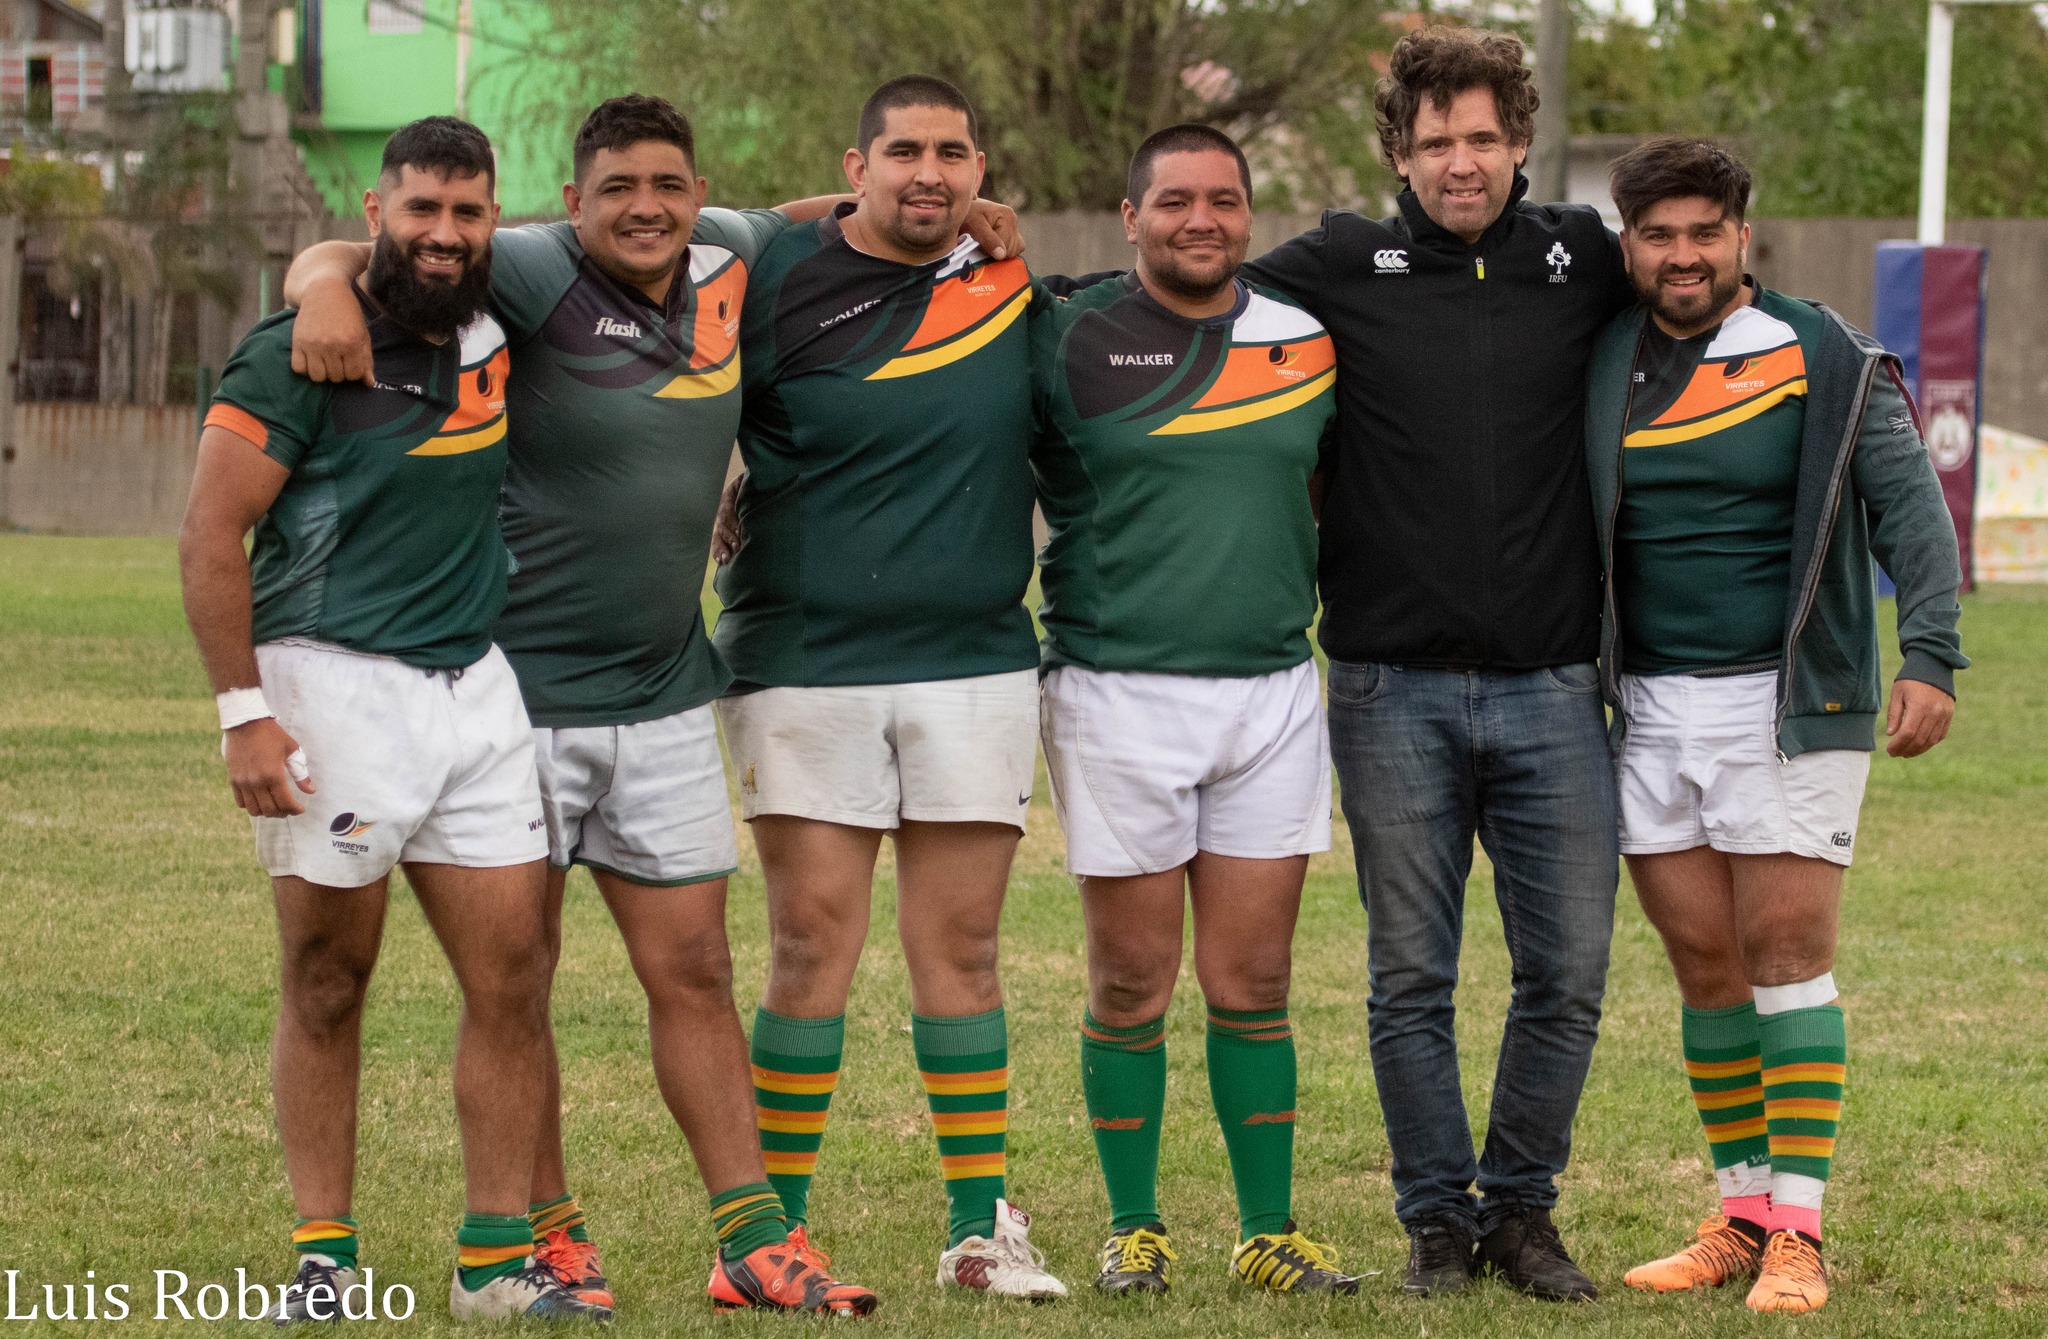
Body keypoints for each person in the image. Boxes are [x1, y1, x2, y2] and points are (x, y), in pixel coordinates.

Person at [275, 93, 1021, 1315]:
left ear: (694, 191)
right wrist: (315, 284)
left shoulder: (730, 248)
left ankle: (751, 1237)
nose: (644, 207)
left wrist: (956, 208)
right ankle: (551, 1231)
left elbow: (814, 211)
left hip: (670, 682)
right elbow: (389, 253)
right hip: (520, 692)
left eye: (666, 185)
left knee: (696, 970)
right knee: (519, 981)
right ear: (572, 201)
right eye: (616, 187)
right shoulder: (522, 265)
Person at [177, 117, 607, 1324]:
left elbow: (687, 225)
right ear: (375, 211)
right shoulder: (299, 351)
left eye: (467, 212)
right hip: (333, 687)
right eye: (420, 209)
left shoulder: (492, 322)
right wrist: (243, 713)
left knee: (515, 972)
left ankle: (489, 1264)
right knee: (327, 977)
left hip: (477, 685)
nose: (444, 234)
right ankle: (324, 1261)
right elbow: (211, 536)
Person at [1242, 25, 1635, 1301]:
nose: (1457, 163)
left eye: (1480, 138)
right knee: (1409, 974)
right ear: (1396, 152)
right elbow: (1185, 289)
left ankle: (1520, 1215)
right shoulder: (1341, 262)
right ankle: (1432, 1224)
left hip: (1552, 683)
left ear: (1518, 141)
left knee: (1565, 972)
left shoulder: (1585, 257)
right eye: (1432, 143)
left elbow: (1710, 290)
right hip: (1383, 683)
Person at [1589, 138, 1965, 1315]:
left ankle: (1798, 1229)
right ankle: (1739, 1212)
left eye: (1704, 231)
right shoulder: (1603, 357)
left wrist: (1931, 657)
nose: (1682, 253)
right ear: (1628, 245)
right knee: (1703, 965)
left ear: (1740, 237)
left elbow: (1908, 511)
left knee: (1786, 957)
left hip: (1791, 700)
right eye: (1658, 234)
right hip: (1644, 705)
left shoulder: (1822, 353)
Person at [710, 74, 1065, 1300]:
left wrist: (972, 213)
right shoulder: (767, 274)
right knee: (810, 947)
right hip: (806, 660)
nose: (929, 172)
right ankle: (771, 1240)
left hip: (974, 657)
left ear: (981, 167)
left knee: (962, 949)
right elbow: (749, 222)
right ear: (852, 165)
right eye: (901, 152)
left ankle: (979, 1229)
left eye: (953, 153)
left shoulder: (1007, 282)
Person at [1029, 124, 1356, 1298]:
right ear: (1130, 217)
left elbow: (1319, 485)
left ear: (1247, 214)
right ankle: (1134, 1226)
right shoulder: (1064, 334)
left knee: (1253, 981)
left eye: (1222, 199)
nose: (1199, 219)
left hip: (1271, 689)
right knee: (1129, 982)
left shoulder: (1306, 339)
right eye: (1174, 200)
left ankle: (1265, 1230)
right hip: (1115, 692)